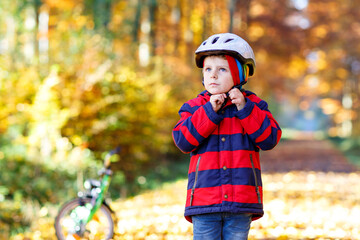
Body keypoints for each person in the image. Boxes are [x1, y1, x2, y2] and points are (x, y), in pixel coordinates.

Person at [172, 33, 282, 240]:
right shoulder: (194, 107)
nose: (213, 75)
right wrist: (209, 112)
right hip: (204, 201)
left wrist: (244, 108)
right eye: (208, 69)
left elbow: (270, 138)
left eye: (222, 69)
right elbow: (183, 141)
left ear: (240, 75)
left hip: (241, 201)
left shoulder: (254, 105)